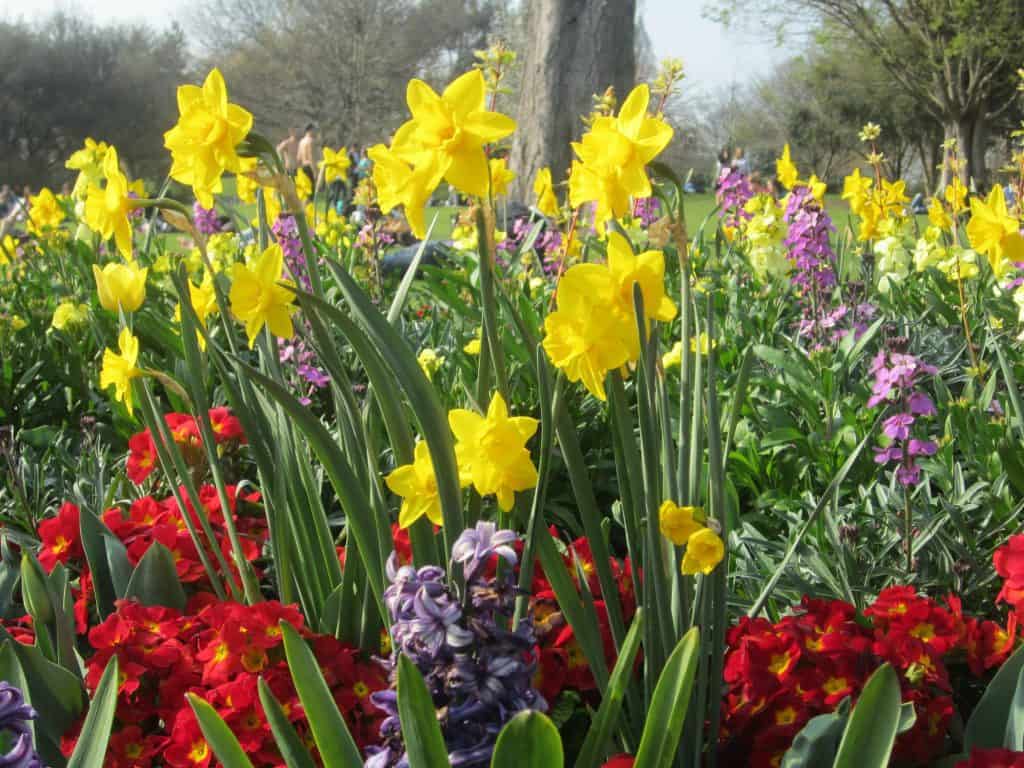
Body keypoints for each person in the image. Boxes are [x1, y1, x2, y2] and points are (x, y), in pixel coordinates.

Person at [297, 123, 318, 188]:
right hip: (310, 167)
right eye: (315, 130)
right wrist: (315, 171)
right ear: (310, 130)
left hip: (303, 167)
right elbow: (311, 157)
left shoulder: (301, 141)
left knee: (305, 189)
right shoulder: (311, 141)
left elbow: (299, 157)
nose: (316, 132)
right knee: (311, 190)